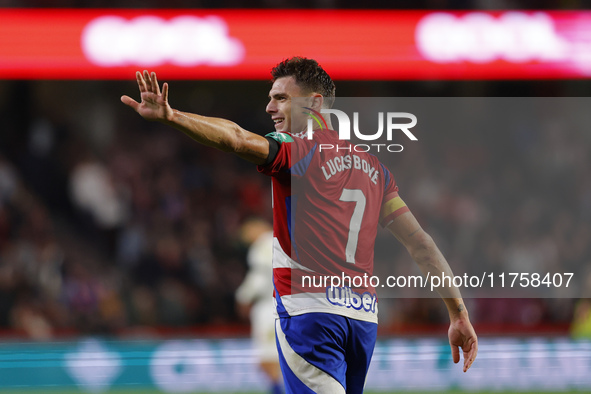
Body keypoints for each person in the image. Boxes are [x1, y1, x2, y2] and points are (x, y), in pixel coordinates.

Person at [121, 57, 478, 394]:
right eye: (270, 98)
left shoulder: (298, 150)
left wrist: (174, 116)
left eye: (281, 98)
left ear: (314, 103)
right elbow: (422, 245)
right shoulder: (375, 170)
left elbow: (235, 138)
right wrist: (457, 313)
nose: (269, 108)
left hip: (310, 314)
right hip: (363, 320)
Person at [235, 218, 284, 394]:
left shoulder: (265, 242)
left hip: (269, 307)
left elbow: (260, 276)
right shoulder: (281, 240)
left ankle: (279, 391)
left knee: (267, 357)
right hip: (287, 304)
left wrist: (243, 296)